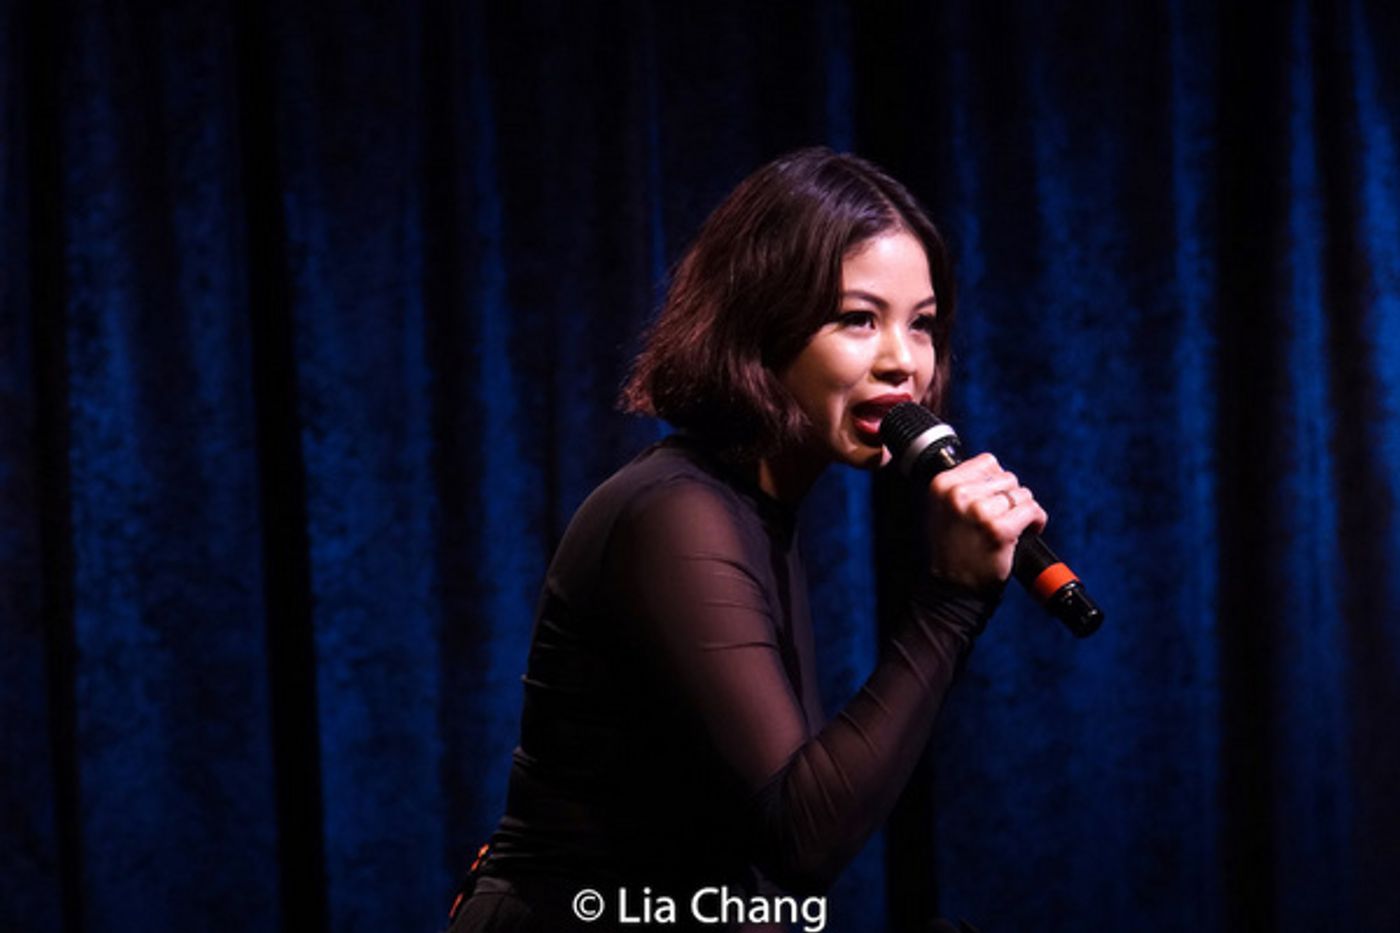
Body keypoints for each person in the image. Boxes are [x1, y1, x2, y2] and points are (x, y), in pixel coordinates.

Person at [446, 147, 1045, 932]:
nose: (905, 362)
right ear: (763, 325)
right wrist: (949, 602)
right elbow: (803, 834)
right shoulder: (674, 513)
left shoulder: (760, 510)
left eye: (923, 324)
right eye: (859, 319)